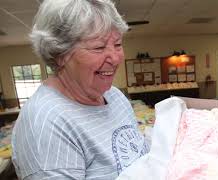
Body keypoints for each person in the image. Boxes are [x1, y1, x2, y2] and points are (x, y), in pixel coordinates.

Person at [11, 0, 149, 179]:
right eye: (99, 47)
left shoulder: (114, 95)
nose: (115, 58)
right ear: (60, 54)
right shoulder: (46, 123)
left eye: (117, 44)